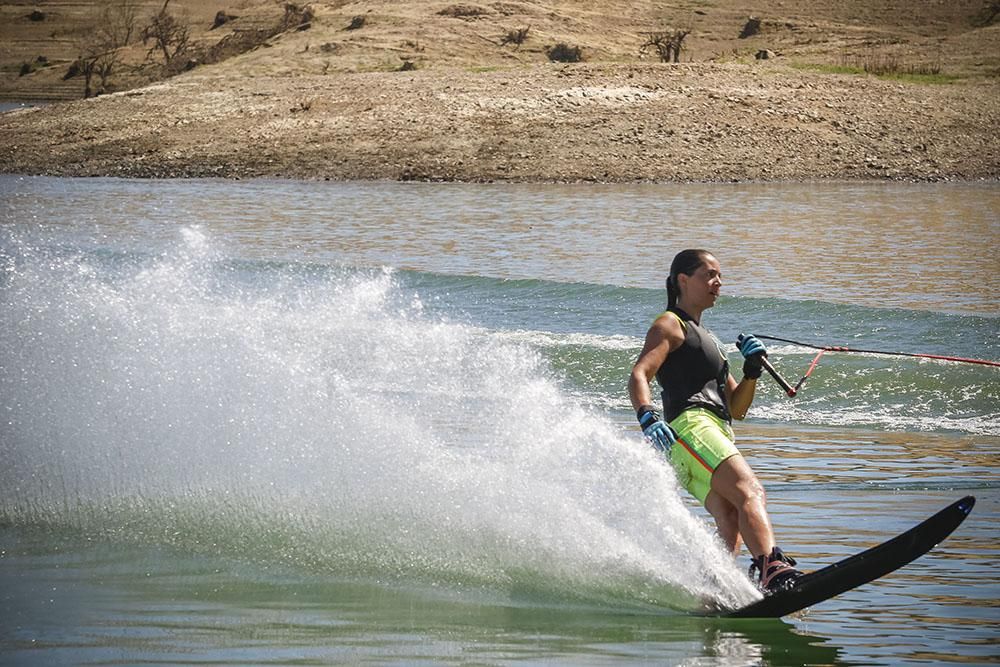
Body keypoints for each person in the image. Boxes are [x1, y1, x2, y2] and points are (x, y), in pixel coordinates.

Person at [627, 248, 803, 594]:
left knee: (731, 517)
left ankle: (714, 593)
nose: (718, 282)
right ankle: (773, 569)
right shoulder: (670, 324)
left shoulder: (711, 341)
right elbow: (639, 374)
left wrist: (751, 372)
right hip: (692, 428)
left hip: (711, 432)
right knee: (750, 491)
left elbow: (736, 408)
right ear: (683, 280)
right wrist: (647, 416)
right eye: (709, 275)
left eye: (719, 275)